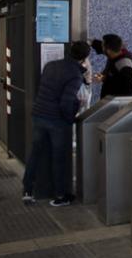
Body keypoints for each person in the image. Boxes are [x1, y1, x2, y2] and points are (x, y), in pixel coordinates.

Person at [22, 41, 91, 206]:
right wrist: (71, 117)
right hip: (57, 120)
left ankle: (27, 190)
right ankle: (60, 195)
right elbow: (66, 102)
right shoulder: (75, 74)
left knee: (35, 153)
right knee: (59, 157)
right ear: (84, 58)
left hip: (39, 115)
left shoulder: (50, 65)